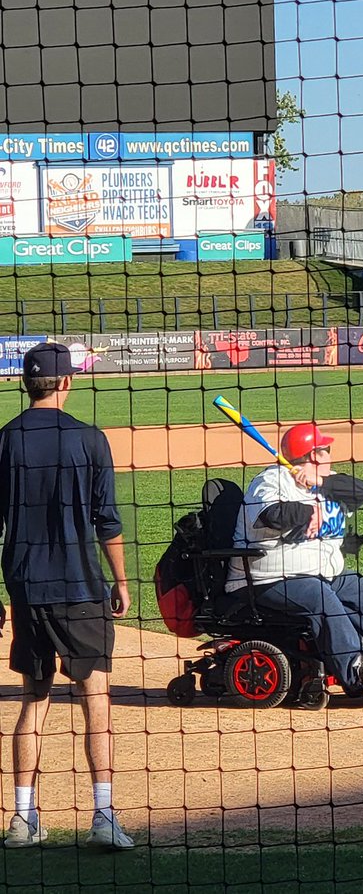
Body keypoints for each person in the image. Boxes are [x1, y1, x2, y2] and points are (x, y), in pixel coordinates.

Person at [0, 343, 134, 849]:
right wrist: (121, 583)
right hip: (80, 588)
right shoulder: (90, 439)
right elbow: (108, 523)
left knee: (34, 701)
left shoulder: (5, 441)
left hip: (26, 590)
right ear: (65, 382)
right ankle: (103, 816)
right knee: (95, 699)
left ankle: (23, 818)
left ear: (25, 383)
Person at [225, 422, 363, 689]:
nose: (330, 455)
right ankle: (358, 668)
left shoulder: (329, 482)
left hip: (320, 574)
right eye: (326, 450)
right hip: (265, 579)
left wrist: (319, 482)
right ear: (313, 454)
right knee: (320, 597)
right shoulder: (272, 480)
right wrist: (309, 511)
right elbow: (271, 515)